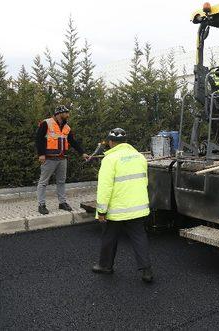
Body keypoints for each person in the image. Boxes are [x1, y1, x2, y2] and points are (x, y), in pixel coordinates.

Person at [92, 128, 153, 283]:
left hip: (116, 208)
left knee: (109, 236)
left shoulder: (110, 159)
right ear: (125, 142)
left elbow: (105, 188)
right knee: (139, 237)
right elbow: (144, 181)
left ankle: (105, 266)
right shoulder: (139, 157)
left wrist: (101, 211)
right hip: (138, 207)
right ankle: (146, 271)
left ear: (111, 142)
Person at [35, 105, 89, 215]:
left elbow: (72, 141)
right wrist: (41, 154)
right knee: (43, 182)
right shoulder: (46, 123)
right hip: (49, 158)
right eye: (66, 113)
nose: (68, 115)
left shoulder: (67, 127)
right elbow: (38, 139)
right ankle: (41, 204)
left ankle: (62, 203)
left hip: (62, 158)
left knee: (61, 181)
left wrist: (82, 153)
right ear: (59, 114)